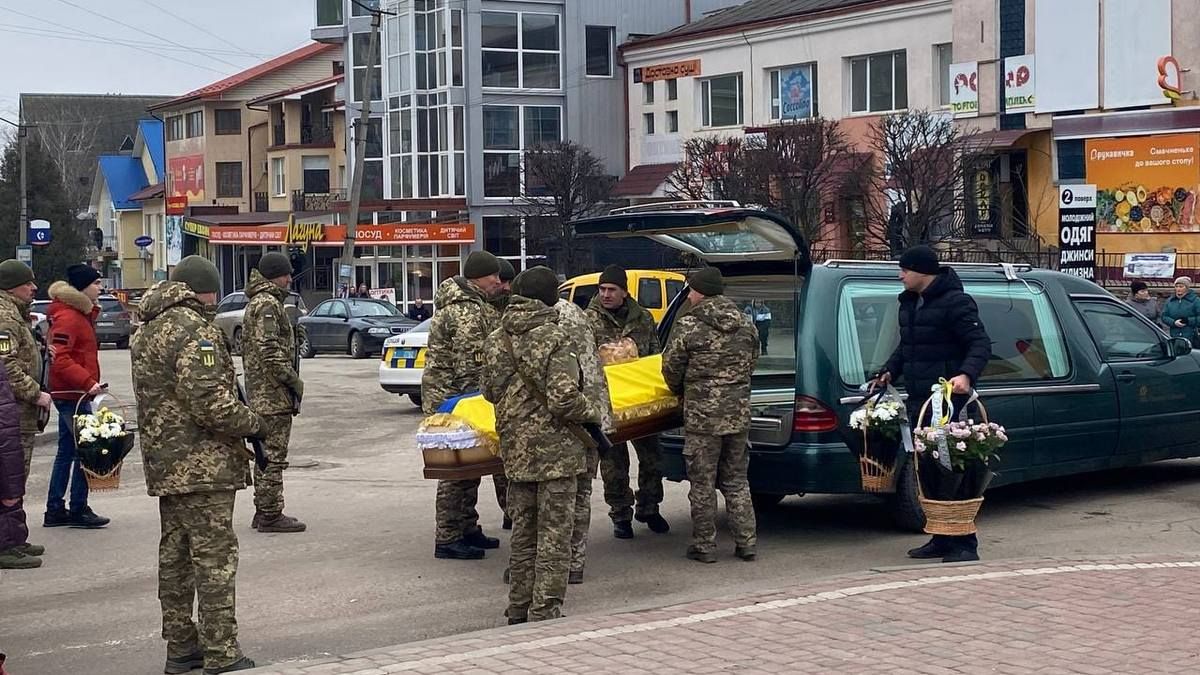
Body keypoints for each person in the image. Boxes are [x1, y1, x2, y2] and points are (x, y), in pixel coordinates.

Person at [132, 257, 265, 675]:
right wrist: (255, 425)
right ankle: (221, 651)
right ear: (204, 291)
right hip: (202, 465)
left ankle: (181, 648)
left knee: (174, 559)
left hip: (166, 464)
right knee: (213, 559)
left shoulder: (148, 329)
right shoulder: (195, 329)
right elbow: (209, 400)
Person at [483, 266, 598, 622]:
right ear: (550, 298)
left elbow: (489, 391)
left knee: (523, 533)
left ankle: (518, 605)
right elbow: (564, 399)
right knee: (554, 535)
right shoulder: (555, 337)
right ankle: (545, 609)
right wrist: (591, 410)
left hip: (516, 451)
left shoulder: (496, 339)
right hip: (557, 453)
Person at [874, 245, 992, 564]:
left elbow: (980, 343)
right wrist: (888, 371)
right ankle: (941, 536)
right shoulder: (909, 304)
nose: (900, 275)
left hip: (950, 406)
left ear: (922, 271)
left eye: (904, 269)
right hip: (921, 403)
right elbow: (907, 347)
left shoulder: (956, 302)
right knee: (927, 471)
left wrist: (966, 375)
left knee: (954, 470)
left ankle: (965, 542)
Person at [662, 267, 760, 564]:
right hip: (738, 416)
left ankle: (704, 545)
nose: (689, 295)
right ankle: (747, 542)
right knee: (736, 481)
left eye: (690, 290)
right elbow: (752, 363)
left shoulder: (689, 325)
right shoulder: (746, 324)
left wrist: (684, 390)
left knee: (702, 484)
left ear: (700, 291)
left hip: (703, 419)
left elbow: (671, 368)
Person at [422, 251, 505, 560]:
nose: (497, 281)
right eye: (492, 276)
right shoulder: (465, 311)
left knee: (470, 466)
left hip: (452, 397)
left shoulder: (469, 305)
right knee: (455, 471)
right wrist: (483, 400)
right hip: (456, 400)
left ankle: (467, 527)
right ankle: (447, 536)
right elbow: (472, 362)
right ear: (477, 278)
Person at [586, 264, 668, 538]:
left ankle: (650, 507)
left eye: (611, 290)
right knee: (614, 463)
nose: (606, 295)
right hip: (608, 402)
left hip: (641, 399)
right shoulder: (588, 320)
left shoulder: (642, 318)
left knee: (653, 458)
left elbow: (654, 356)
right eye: (602, 289)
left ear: (624, 292)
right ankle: (621, 515)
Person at [242, 253, 306, 534]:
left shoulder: (264, 302)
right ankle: (270, 513)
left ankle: (263, 509)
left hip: (265, 392)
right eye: (285, 274)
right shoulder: (267, 304)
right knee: (273, 455)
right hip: (271, 395)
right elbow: (269, 350)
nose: (289, 279)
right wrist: (292, 380)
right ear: (273, 276)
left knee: (266, 453)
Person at [44, 264, 109, 529]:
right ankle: (78, 509)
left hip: (72, 392)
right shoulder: (71, 317)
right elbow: (61, 360)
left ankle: (56, 508)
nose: (100, 288)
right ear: (82, 287)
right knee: (86, 451)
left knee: (67, 451)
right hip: (73, 393)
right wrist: (88, 382)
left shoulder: (77, 314)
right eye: (96, 284)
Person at [554, 295, 612, 585]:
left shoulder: (550, 323)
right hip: (592, 416)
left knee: (561, 497)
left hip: (571, 421)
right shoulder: (575, 314)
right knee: (580, 494)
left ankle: (559, 564)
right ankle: (575, 562)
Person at [0, 260, 51, 485]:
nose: (34, 288)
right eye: (27, 283)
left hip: (16, 414)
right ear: (11, 287)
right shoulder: (6, 319)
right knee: (12, 483)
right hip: (13, 415)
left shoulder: (16, 314)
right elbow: (5, 365)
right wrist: (36, 393)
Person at [0, 360, 41, 569]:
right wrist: (36, 393)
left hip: (8, 417)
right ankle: (5, 545)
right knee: (8, 486)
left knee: (11, 483)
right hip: (7, 419)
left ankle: (14, 539)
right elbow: (10, 366)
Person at [488, 256, 518, 529]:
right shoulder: (486, 309)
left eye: (509, 281)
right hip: (496, 394)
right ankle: (508, 509)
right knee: (500, 463)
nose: (505, 287)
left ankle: (512, 512)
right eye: (502, 281)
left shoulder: (516, 306)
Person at [1161, 276, 1200, 342]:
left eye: (1181, 286)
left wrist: (1188, 321)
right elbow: (1164, 316)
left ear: (1187, 288)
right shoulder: (1170, 301)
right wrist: (1174, 322)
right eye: (1177, 286)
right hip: (1174, 335)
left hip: (1191, 336)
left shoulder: (1195, 300)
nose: (1178, 289)